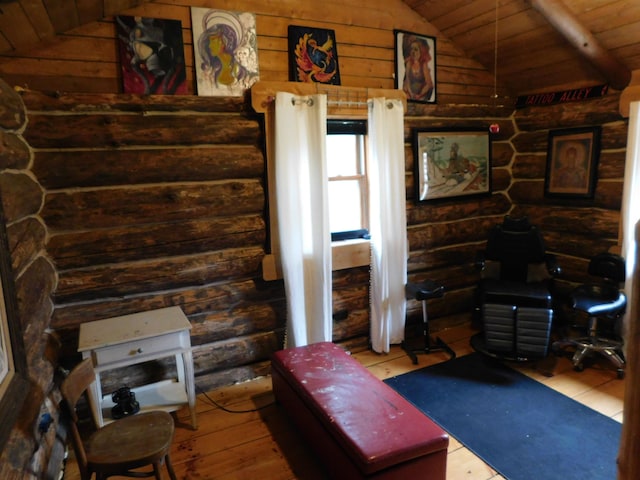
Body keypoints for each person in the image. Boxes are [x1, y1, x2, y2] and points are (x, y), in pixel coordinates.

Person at [402, 36, 434, 101]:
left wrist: (419, 95)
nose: (413, 52)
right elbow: (407, 80)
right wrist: (411, 93)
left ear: (420, 51)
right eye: (412, 49)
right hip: (410, 93)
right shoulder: (409, 63)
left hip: (422, 94)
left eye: (416, 49)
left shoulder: (423, 64)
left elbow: (428, 84)